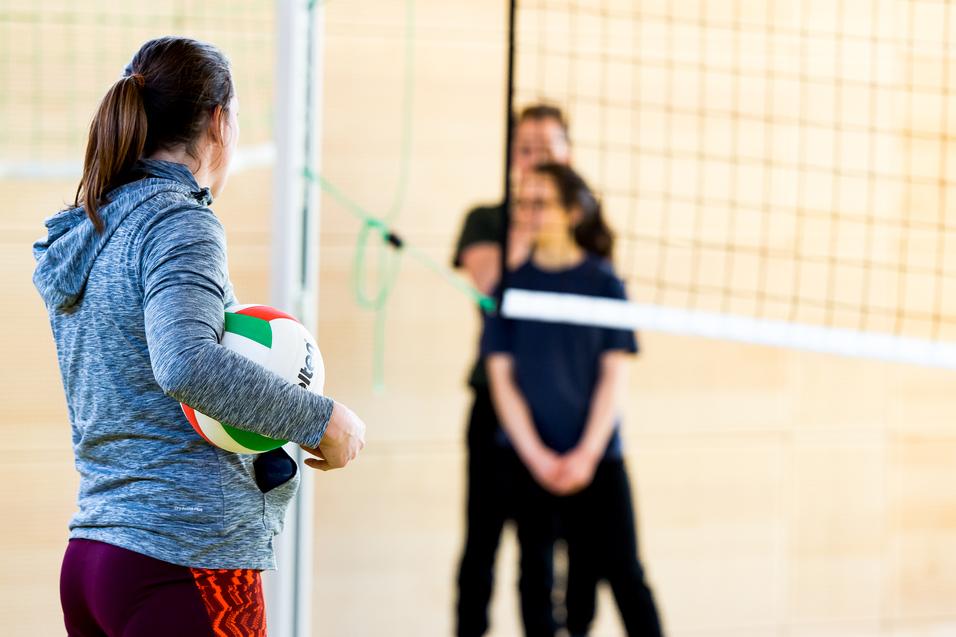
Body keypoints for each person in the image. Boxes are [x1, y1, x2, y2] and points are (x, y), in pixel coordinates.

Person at [32, 36, 366, 637]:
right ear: (219, 121)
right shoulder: (181, 221)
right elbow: (185, 364)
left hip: (95, 561)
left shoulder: (94, 229)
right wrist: (323, 419)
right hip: (182, 561)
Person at [482, 163, 664, 637]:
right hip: (528, 459)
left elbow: (613, 377)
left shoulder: (604, 283)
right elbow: (503, 381)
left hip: (598, 458)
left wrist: (585, 455)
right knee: (535, 581)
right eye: (523, 202)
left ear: (571, 212)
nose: (527, 212)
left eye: (539, 202)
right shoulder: (510, 286)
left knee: (624, 574)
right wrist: (539, 458)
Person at [452, 105, 571, 637]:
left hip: (556, 414)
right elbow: (491, 292)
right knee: (481, 552)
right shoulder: (487, 221)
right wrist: (527, 219)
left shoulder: (581, 231)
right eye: (526, 149)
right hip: (494, 410)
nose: (537, 160)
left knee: (542, 561)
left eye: (548, 150)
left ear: (569, 156)